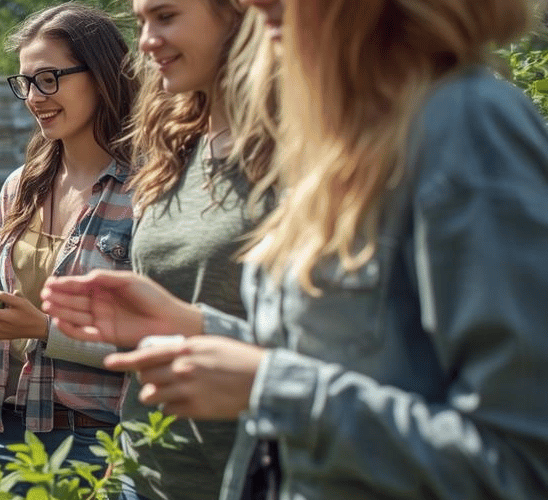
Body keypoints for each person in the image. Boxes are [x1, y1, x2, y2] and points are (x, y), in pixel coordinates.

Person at [43, 0, 548, 498]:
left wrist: (268, 388)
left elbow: (522, 465)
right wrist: (194, 327)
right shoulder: (344, 134)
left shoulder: (466, 123)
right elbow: (354, 365)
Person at [0, 3, 138, 484]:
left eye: (49, 78)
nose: (34, 96)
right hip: (5, 434)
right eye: (25, 82)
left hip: (98, 444)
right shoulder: (19, 187)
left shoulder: (145, 192)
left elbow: (155, 338)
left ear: (101, 76)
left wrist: (44, 328)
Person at [106, 1, 276, 498]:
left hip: (242, 476)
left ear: (237, 14)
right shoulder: (174, 147)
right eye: (140, 23)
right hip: (145, 470)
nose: (145, 41)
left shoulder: (302, 150)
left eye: (166, 16)